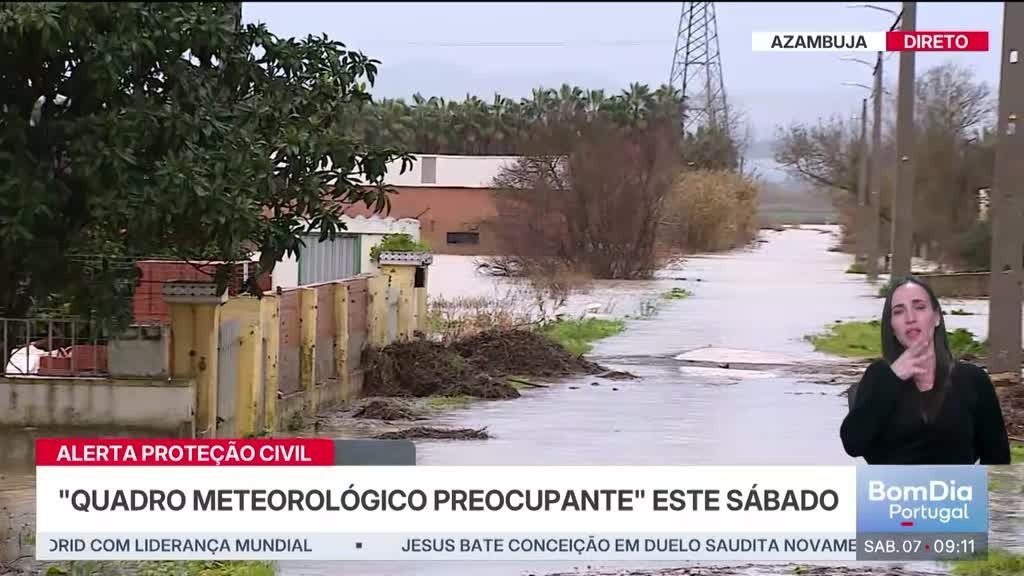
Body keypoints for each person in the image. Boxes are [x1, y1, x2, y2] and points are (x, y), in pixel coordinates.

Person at [840, 275, 1011, 464]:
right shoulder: (879, 376)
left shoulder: (972, 379)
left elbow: (997, 459)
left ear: (936, 317)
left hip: (956, 491)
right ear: (891, 326)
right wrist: (893, 378)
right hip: (893, 491)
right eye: (899, 311)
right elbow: (853, 444)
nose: (910, 318)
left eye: (919, 307)